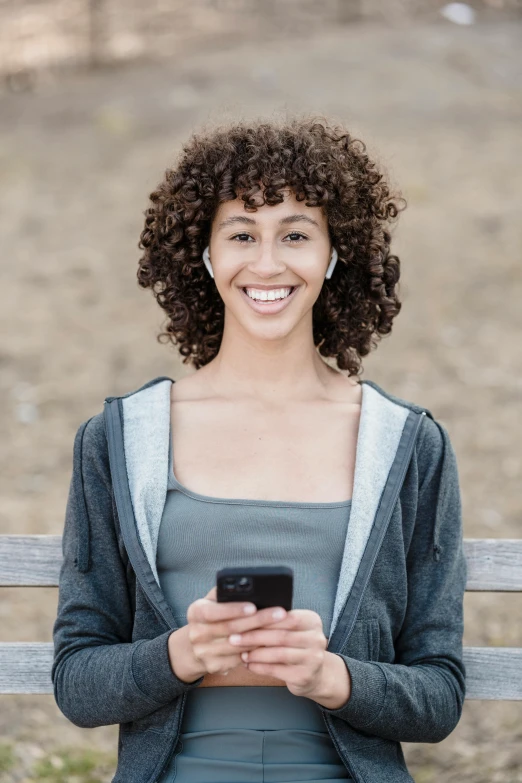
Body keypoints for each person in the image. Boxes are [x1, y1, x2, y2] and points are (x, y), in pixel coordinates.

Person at [52, 115, 467, 783]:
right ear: (206, 255)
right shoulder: (122, 439)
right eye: (242, 233)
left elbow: (440, 695)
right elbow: (78, 679)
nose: (267, 262)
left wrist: (332, 675)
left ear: (334, 254)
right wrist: (181, 652)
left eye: (296, 234)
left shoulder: (408, 444)